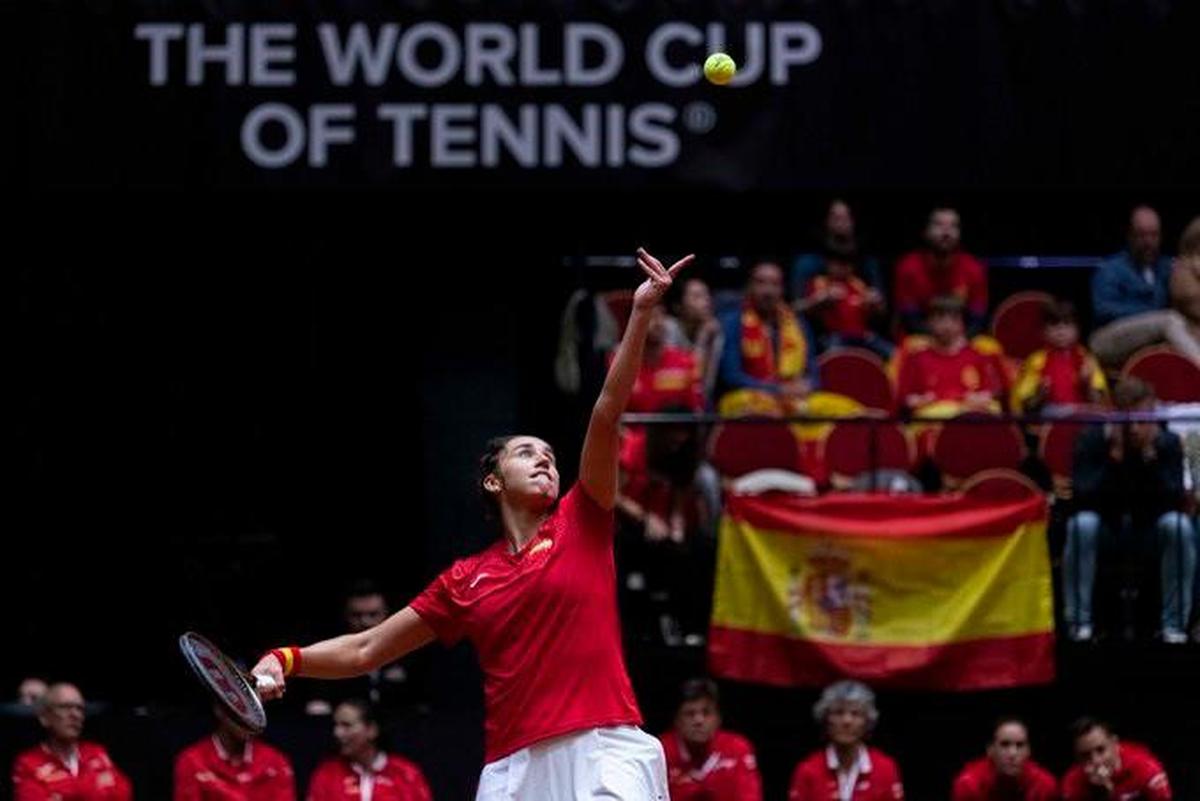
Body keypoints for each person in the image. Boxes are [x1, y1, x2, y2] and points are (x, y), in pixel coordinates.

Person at [251, 247, 695, 800]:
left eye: (550, 456)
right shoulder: (466, 580)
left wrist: (641, 313)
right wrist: (286, 659)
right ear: (493, 480)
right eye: (527, 453)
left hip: (602, 747)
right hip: (515, 766)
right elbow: (367, 650)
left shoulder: (584, 519)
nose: (545, 461)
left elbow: (607, 412)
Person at [11, 683, 132, 801]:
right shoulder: (27, 763)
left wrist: (63, 792)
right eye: (65, 707)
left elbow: (123, 794)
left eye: (80, 708)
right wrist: (95, 787)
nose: (75, 714)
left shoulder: (96, 752)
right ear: (44, 718)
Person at [787, 680, 904, 801]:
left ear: (867, 722)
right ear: (826, 720)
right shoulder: (808, 770)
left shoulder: (885, 768)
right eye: (838, 713)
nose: (847, 721)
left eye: (856, 714)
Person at [659, 678, 762, 801]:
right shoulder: (660, 750)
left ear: (718, 718)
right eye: (689, 713)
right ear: (676, 720)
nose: (699, 720)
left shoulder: (737, 747)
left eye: (706, 713)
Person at [307, 700, 432, 801]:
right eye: (336, 725)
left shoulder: (406, 774)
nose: (337, 733)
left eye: (346, 725)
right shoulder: (327, 774)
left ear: (372, 730)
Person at [174, 706, 296, 801]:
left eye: (253, 710)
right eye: (241, 709)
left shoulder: (276, 761)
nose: (248, 718)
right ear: (220, 709)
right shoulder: (191, 760)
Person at [1061, 718, 1171, 801]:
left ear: (1115, 744)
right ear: (1076, 757)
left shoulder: (1145, 767)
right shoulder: (1072, 784)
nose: (1096, 761)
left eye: (1101, 750)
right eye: (1085, 755)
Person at [951, 717, 1057, 801]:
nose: (1012, 753)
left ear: (1028, 751)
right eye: (1004, 745)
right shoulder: (968, 785)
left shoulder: (1043, 786)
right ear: (990, 750)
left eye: (1020, 745)